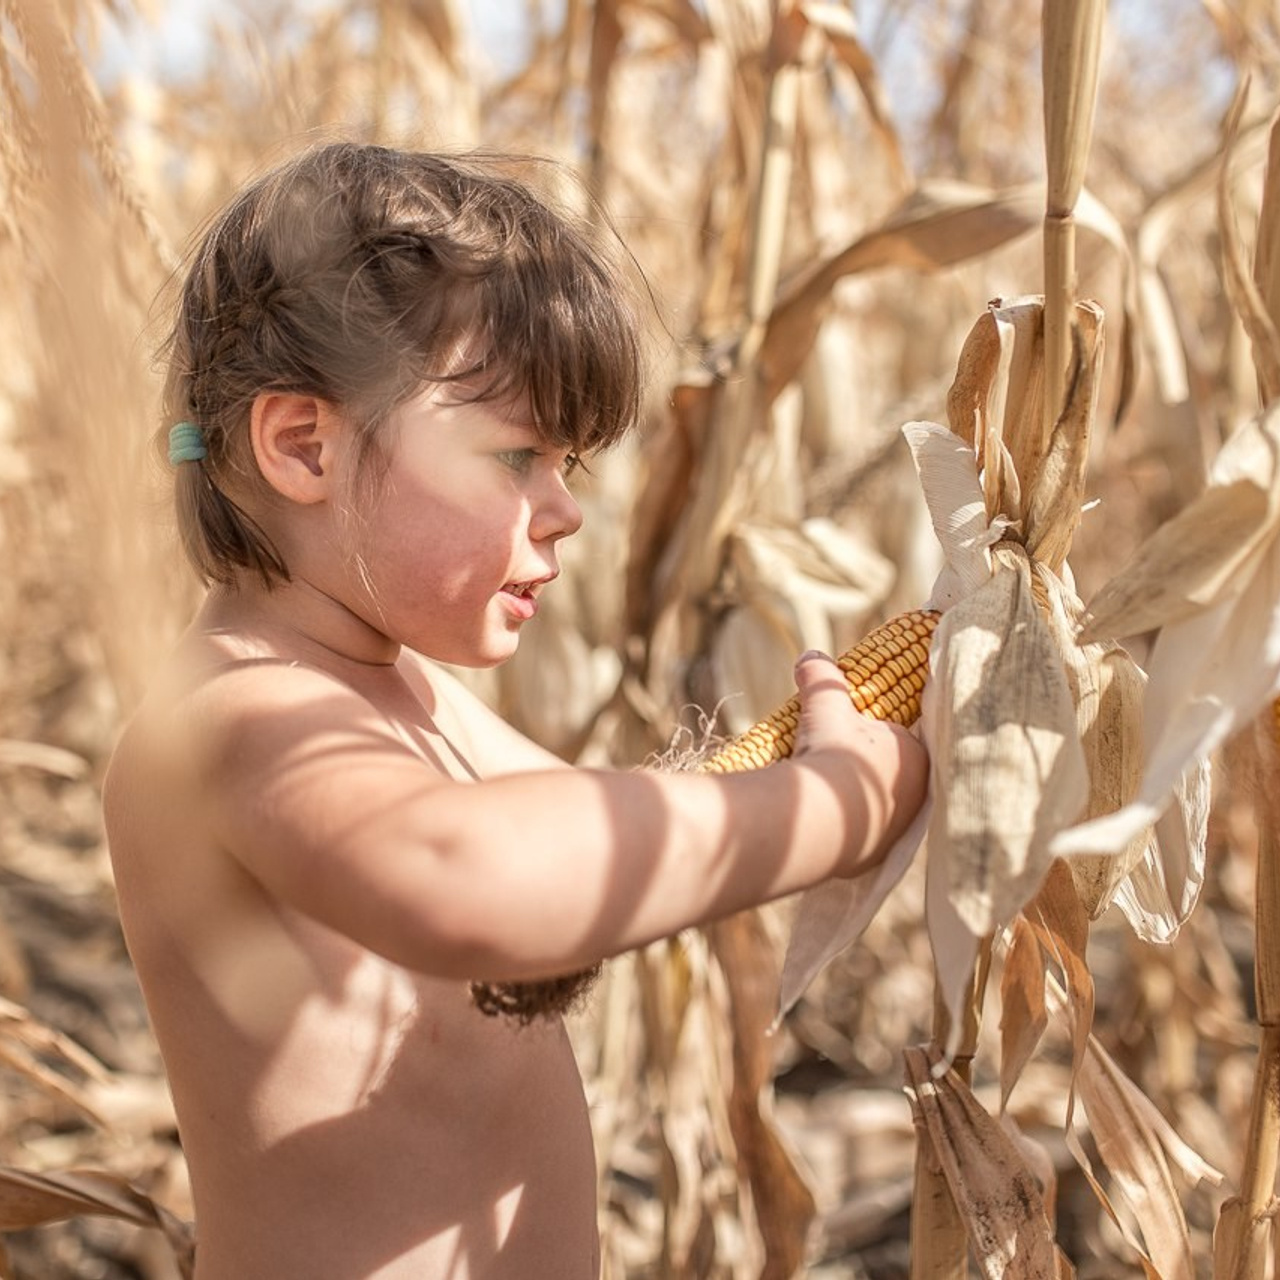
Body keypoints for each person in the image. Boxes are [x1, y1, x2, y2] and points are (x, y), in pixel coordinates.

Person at [102, 140, 929, 1280]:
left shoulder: (407, 692)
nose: (563, 513)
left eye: (568, 467)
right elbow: (471, 883)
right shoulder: (231, 722)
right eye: (516, 456)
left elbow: (606, 834)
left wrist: (897, 707)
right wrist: (832, 804)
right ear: (305, 446)